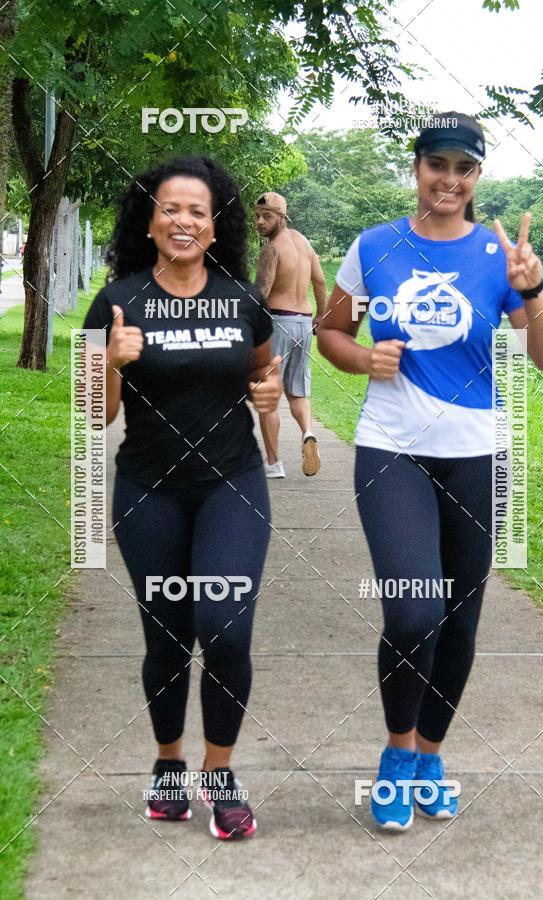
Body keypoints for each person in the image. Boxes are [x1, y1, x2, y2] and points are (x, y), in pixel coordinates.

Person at [317, 112, 543, 831]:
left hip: (476, 452)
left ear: (478, 177)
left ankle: (430, 754)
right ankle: (397, 752)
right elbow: (330, 330)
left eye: (464, 169)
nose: (449, 181)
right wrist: (362, 357)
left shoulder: (499, 258)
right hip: (392, 446)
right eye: (438, 165)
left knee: (460, 619)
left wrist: (533, 291)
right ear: (418, 167)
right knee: (413, 610)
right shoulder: (374, 247)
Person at [83, 155, 281, 840]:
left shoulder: (241, 300)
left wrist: (270, 399)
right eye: (171, 208)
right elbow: (91, 415)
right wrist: (109, 363)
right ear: (149, 220)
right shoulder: (116, 301)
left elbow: (263, 378)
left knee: (225, 631)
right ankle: (169, 766)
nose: (184, 221)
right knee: (166, 637)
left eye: (198, 210)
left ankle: (220, 772)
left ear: (215, 222)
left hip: (232, 484)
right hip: (149, 491)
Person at [255, 191, 327, 478]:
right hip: (302, 323)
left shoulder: (272, 249)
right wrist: (321, 316)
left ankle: (273, 464)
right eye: (257, 216)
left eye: (267, 216)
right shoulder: (303, 243)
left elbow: (262, 292)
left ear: (282, 218)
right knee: (298, 391)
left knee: (267, 393)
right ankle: (308, 433)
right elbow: (320, 283)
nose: (260, 222)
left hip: (277, 323)